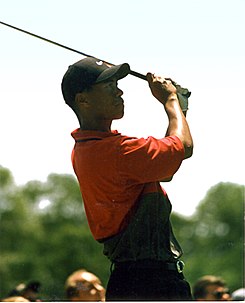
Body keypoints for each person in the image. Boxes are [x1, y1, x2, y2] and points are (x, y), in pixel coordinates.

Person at [61, 57, 194, 301]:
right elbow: (183, 147)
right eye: (109, 86)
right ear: (83, 99)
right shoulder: (114, 150)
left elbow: (165, 170)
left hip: (132, 279)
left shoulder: (91, 148)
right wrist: (171, 101)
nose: (120, 91)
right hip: (150, 282)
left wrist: (179, 112)